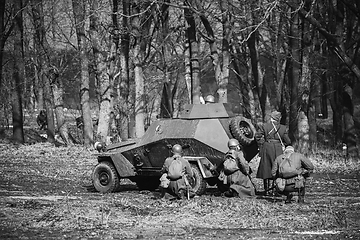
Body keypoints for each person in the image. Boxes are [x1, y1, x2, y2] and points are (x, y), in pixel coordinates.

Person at [255, 110, 291, 196]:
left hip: (267, 148)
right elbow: (288, 141)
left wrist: (262, 144)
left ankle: (266, 190)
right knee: (277, 168)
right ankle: (275, 190)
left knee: (266, 168)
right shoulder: (283, 128)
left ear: (272, 118)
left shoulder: (265, 126)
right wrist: (282, 145)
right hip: (278, 148)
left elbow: (257, 136)